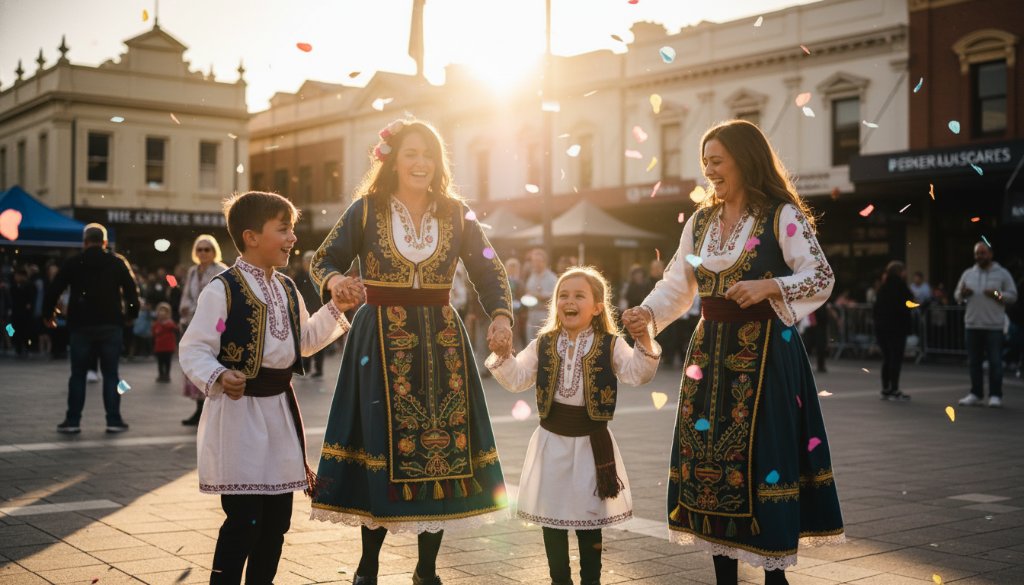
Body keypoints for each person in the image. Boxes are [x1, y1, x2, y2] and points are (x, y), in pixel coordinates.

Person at [622, 120, 844, 583]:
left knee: (765, 458)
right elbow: (677, 287)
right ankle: (723, 572)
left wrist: (770, 285)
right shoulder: (700, 222)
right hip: (709, 356)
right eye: (705, 162)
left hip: (766, 356)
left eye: (717, 161)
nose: (710, 171)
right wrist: (646, 313)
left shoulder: (781, 214)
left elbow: (821, 276)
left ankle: (774, 574)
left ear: (745, 160)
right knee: (709, 460)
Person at [308, 118, 514, 585]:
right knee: (377, 442)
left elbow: (489, 270)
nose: (421, 163)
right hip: (379, 339)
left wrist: (501, 316)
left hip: (442, 341)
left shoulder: (458, 213)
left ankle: (426, 568)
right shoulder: (366, 210)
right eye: (411, 154)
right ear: (392, 159)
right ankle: (368, 565)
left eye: (429, 155)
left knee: (439, 445)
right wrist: (336, 281)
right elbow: (322, 258)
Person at [178, 191, 354, 585]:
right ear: (252, 236)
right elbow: (194, 348)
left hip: (278, 413)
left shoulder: (288, 288)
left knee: (276, 521)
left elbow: (304, 340)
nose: (293, 238)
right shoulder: (221, 290)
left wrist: (336, 307)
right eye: (284, 229)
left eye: (292, 229)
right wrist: (220, 375)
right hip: (239, 415)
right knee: (243, 521)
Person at [486, 266, 660, 585]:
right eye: (563, 295)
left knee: (589, 519)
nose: (570, 300)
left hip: (592, 443)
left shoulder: (610, 344)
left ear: (596, 307)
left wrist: (644, 337)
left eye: (579, 295)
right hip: (551, 442)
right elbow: (518, 378)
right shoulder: (545, 343)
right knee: (552, 520)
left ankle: (590, 580)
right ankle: (559, 580)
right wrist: (503, 354)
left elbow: (639, 373)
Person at [43, 223, 140, 434]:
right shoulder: (117, 262)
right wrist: (130, 316)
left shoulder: (73, 262)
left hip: (81, 324)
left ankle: (73, 421)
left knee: (77, 374)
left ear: (85, 242)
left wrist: (48, 315)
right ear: (105, 242)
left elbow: (54, 289)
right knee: (111, 374)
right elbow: (132, 292)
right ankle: (113, 420)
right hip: (110, 324)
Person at [954, 242, 1018, 408]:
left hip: (993, 325)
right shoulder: (968, 273)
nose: (979, 257)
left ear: (990, 254)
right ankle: (976, 393)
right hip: (972, 324)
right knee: (974, 361)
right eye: (976, 254)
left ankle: (995, 395)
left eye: (982, 253)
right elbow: (957, 295)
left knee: (995, 362)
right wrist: (962, 294)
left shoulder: (1002, 273)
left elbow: (1013, 295)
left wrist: (997, 294)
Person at [178, 234, 229, 425]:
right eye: (199, 249)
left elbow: (218, 300)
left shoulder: (222, 271)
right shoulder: (192, 271)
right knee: (196, 363)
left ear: (214, 251)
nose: (203, 253)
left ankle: (212, 408)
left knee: (212, 363)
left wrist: (195, 307)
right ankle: (199, 409)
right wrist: (186, 312)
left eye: (207, 249)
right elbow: (186, 296)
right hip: (193, 323)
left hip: (216, 325)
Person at [873, 261, 913, 400]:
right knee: (896, 358)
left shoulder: (883, 288)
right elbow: (909, 303)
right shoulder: (902, 287)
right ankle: (894, 388)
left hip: (882, 328)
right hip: (897, 328)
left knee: (887, 358)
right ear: (900, 272)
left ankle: (886, 387)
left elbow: (876, 309)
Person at [293, 250, 327, 378]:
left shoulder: (320, 275)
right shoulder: (299, 276)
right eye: (305, 261)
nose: (307, 263)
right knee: (304, 339)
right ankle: (305, 367)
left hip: (318, 311)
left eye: (309, 261)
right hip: (304, 312)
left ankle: (318, 369)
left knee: (319, 341)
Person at [525, 248, 558, 337]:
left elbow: (555, 295)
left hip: (545, 316)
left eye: (538, 261)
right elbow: (528, 291)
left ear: (544, 262)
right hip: (532, 315)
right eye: (534, 261)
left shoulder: (552, 278)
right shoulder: (532, 276)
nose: (535, 263)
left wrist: (538, 296)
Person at [152, 302, 178, 383]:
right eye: (160, 311)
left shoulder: (170, 323)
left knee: (167, 362)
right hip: (159, 347)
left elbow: (174, 328)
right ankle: (161, 375)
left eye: (164, 312)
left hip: (168, 347)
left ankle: (167, 375)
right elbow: (154, 332)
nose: (162, 314)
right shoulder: (156, 324)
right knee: (160, 362)